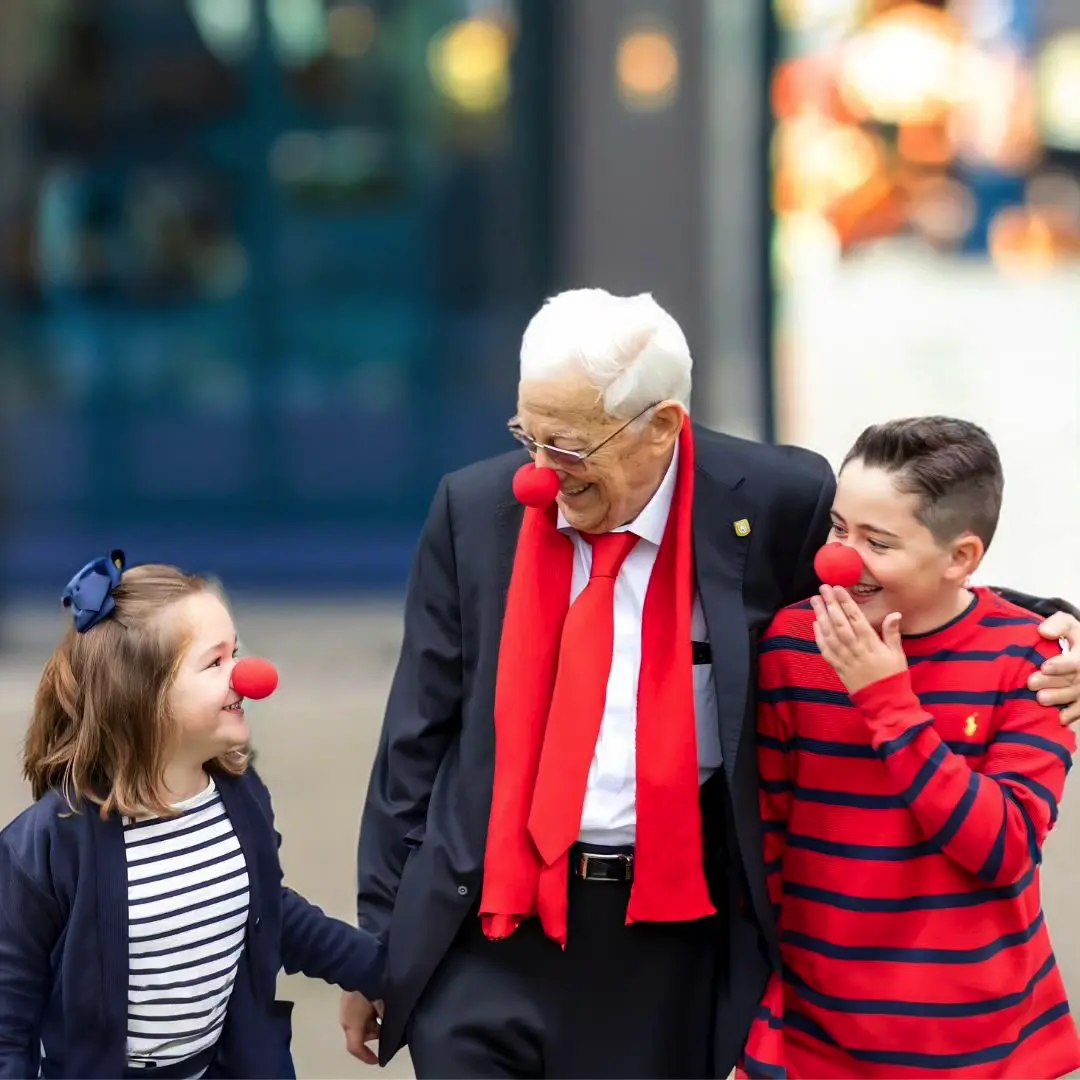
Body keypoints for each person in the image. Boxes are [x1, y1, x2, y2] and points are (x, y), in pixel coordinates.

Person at [341, 288, 1080, 1079]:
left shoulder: (775, 499)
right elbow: (414, 739)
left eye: (571, 444)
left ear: (661, 425)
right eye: (530, 433)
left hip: (668, 940)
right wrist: (378, 942)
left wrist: (1056, 620)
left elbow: (897, 570)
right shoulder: (475, 507)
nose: (540, 472)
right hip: (484, 930)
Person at [744, 417, 1080, 1078]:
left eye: (879, 542)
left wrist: (886, 699)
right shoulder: (792, 645)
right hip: (817, 1045)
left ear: (961, 557)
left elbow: (1004, 849)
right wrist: (762, 1022)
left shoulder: (1031, 658)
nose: (840, 559)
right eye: (839, 529)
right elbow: (769, 845)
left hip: (986, 1050)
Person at [0, 553, 384, 1079]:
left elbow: (264, 908)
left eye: (238, 653)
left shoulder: (239, 797)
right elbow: (9, 1016)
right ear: (142, 697)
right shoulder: (48, 845)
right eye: (215, 662)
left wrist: (382, 970)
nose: (249, 676)